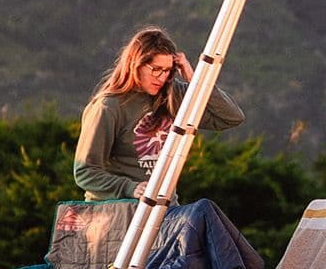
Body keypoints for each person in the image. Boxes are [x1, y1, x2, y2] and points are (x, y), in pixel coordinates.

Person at [73, 25, 244, 202]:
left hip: (164, 211)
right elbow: (85, 172)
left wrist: (195, 80)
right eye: (156, 69)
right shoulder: (108, 107)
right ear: (135, 64)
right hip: (118, 214)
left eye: (168, 70)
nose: (162, 77)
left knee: (205, 211)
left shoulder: (173, 95)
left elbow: (231, 117)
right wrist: (130, 188)